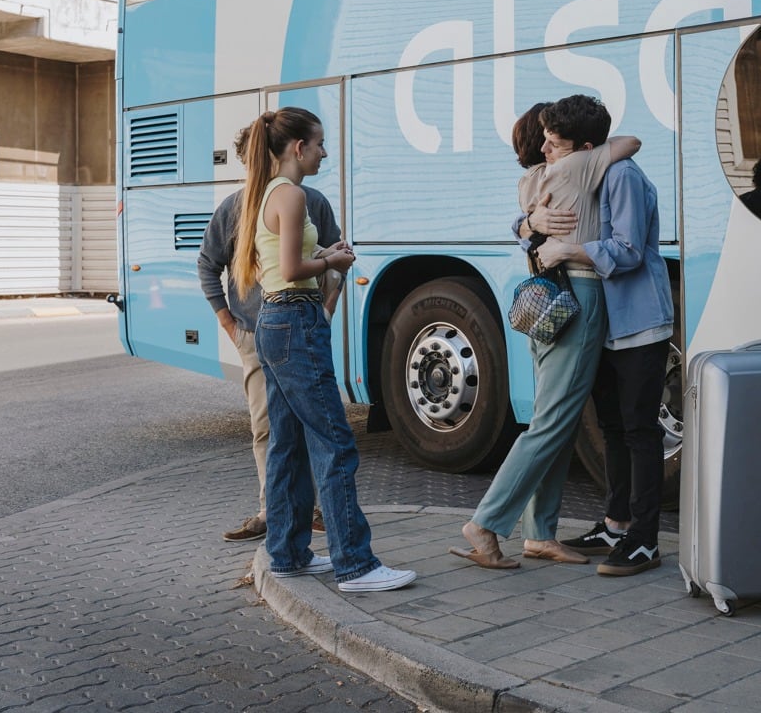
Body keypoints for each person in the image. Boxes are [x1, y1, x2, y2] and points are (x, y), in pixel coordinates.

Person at [230, 107, 415, 593]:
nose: (324, 152)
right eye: (318, 144)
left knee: (288, 446)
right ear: (297, 148)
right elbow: (292, 267)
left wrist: (325, 259)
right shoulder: (290, 195)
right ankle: (356, 564)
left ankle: (288, 553)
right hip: (295, 318)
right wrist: (332, 258)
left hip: (276, 321)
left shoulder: (266, 192)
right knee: (334, 443)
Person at [451, 95, 638, 570]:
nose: (553, 146)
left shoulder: (529, 181)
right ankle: (488, 522)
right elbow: (631, 142)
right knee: (553, 420)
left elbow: (526, 228)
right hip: (580, 295)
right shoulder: (577, 167)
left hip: (543, 302)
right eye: (550, 140)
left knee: (557, 418)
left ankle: (540, 533)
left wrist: (528, 222)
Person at [200, 123, 342, 543]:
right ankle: (276, 514)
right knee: (273, 428)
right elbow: (209, 265)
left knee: (301, 428)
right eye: (319, 146)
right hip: (260, 330)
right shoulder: (238, 206)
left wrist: (325, 311)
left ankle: (295, 524)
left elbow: (333, 254)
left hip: (296, 323)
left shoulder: (309, 200)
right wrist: (229, 323)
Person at [534, 153, 674, 576]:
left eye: (555, 142)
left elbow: (629, 250)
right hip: (607, 328)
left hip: (639, 322)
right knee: (612, 428)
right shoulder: (581, 178)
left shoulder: (623, 173)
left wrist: (567, 250)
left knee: (639, 430)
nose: (547, 150)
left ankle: (645, 540)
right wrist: (530, 224)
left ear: (581, 142)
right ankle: (617, 526)